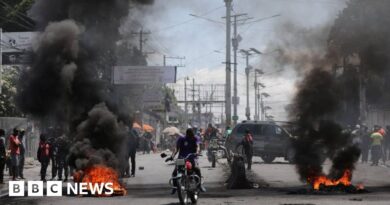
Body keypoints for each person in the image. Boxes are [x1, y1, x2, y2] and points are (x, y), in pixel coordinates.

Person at [166, 128, 206, 194]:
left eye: (191, 135)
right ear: (186, 134)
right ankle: (175, 187)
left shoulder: (196, 138)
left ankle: (199, 185)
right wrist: (172, 156)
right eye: (189, 135)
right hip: (181, 158)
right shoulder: (181, 139)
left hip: (191, 158)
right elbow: (176, 149)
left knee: (197, 169)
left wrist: (197, 152)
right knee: (175, 172)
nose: (190, 136)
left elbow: (197, 146)